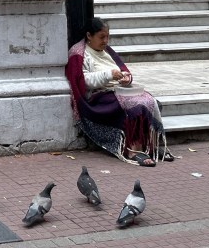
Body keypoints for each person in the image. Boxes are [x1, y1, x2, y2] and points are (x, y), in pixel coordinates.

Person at [65, 17, 173, 167]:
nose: (105, 41)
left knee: (151, 102)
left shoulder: (106, 51)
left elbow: (123, 70)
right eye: (101, 37)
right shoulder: (78, 53)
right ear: (89, 35)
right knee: (135, 107)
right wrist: (108, 75)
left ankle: (150, 146)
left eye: (107, 37)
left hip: (117, 90)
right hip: (98, 96)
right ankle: (133, 150)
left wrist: (126, 78)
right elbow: (83, 81)